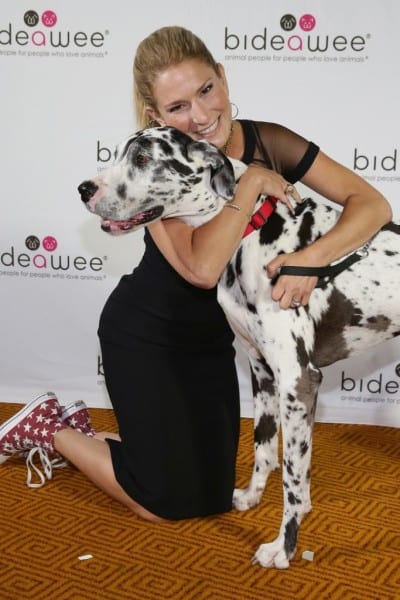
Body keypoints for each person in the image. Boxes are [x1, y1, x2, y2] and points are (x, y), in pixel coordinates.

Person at [0, 26, 392, 521]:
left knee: (209, 496)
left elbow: (373, 205)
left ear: (223, 78)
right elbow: (202, 270)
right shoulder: (158, 167)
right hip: (149, 339)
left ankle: (95, 432)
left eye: (206, 90)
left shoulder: (269, 140)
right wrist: (248, 183)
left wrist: (309, 259)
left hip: (212, 348)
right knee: (164, 505)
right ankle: (48, 429)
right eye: (178, 107)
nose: (201, 116)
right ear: (155, 116)